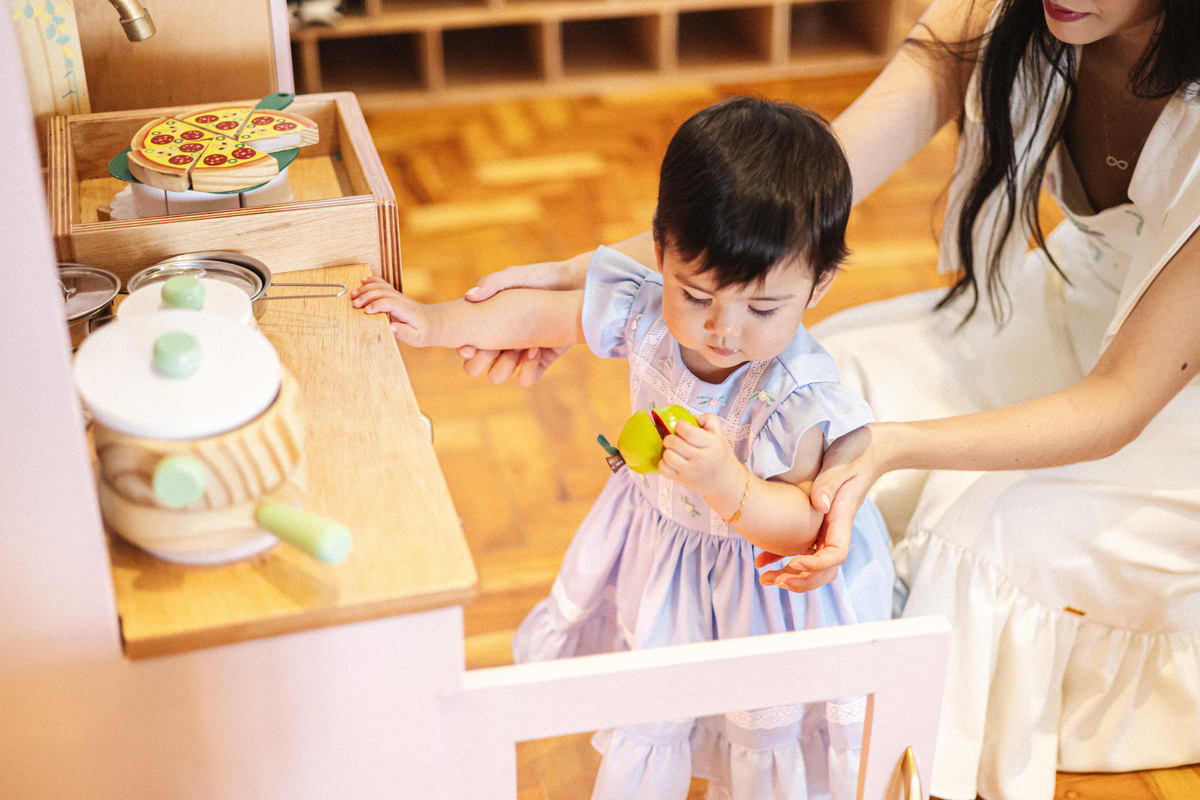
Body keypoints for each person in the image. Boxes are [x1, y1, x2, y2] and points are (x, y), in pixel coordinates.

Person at [451, 1, 1200, 798]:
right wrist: (582, 279)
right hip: (1077, 301)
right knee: (813, 385)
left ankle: (857, 757)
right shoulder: (1003, 10)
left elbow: (1120, 402)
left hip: (1165, 393)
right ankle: (760, 721)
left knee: (985, 541)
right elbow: (793, 194)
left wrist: (890, 445)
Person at [352, 96, 894, 800]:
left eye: (762, 308)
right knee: (658, 696)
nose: (722, 329)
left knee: (750, 736)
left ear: (818, 284)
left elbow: (806, 524)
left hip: (758, 585)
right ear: (661, 253)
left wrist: (727, 484)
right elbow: (538, 313)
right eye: (695, 295)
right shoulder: (645, 309)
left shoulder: (796, 395)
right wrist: (433, 323)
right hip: (665, 547)